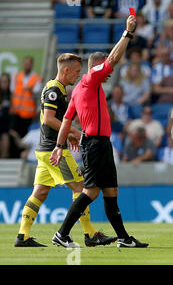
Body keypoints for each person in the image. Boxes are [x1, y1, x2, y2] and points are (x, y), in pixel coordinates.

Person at [50, 15, 148, 248]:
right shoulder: (91, 79)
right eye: (106, 67)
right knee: (91, 192)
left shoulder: (78, 91)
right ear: (97, 66)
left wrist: (59, 146)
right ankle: (62, 234)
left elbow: (65, 121)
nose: (110, 71)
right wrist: (128, 33)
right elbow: (113, 58)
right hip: (94, 144)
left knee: (111, 191)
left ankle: (124, 238)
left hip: (101, 144)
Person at [14, 53, 115, 247]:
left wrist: (68, 134)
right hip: (53, 149)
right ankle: (89, 234)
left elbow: (47, 119)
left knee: (40, 192)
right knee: (80, 186)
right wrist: (74, 132)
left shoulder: (54, 87)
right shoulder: (54, 89)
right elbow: (50, 118)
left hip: (43, 150)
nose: (78, 75)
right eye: (76, 71)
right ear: (66, 70)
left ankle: (22, 235)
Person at [10, 56, 42, 138]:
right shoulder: (16, 76)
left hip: (28, 114)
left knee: (24, 136)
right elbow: (12, 92)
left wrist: (30, 90)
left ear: (32, 65)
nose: (27, 65)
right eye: (26, 63)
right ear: (23, 64)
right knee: (13, 135)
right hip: (16, 113)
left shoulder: (36, 78)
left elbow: (36, 92)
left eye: (29, 63)